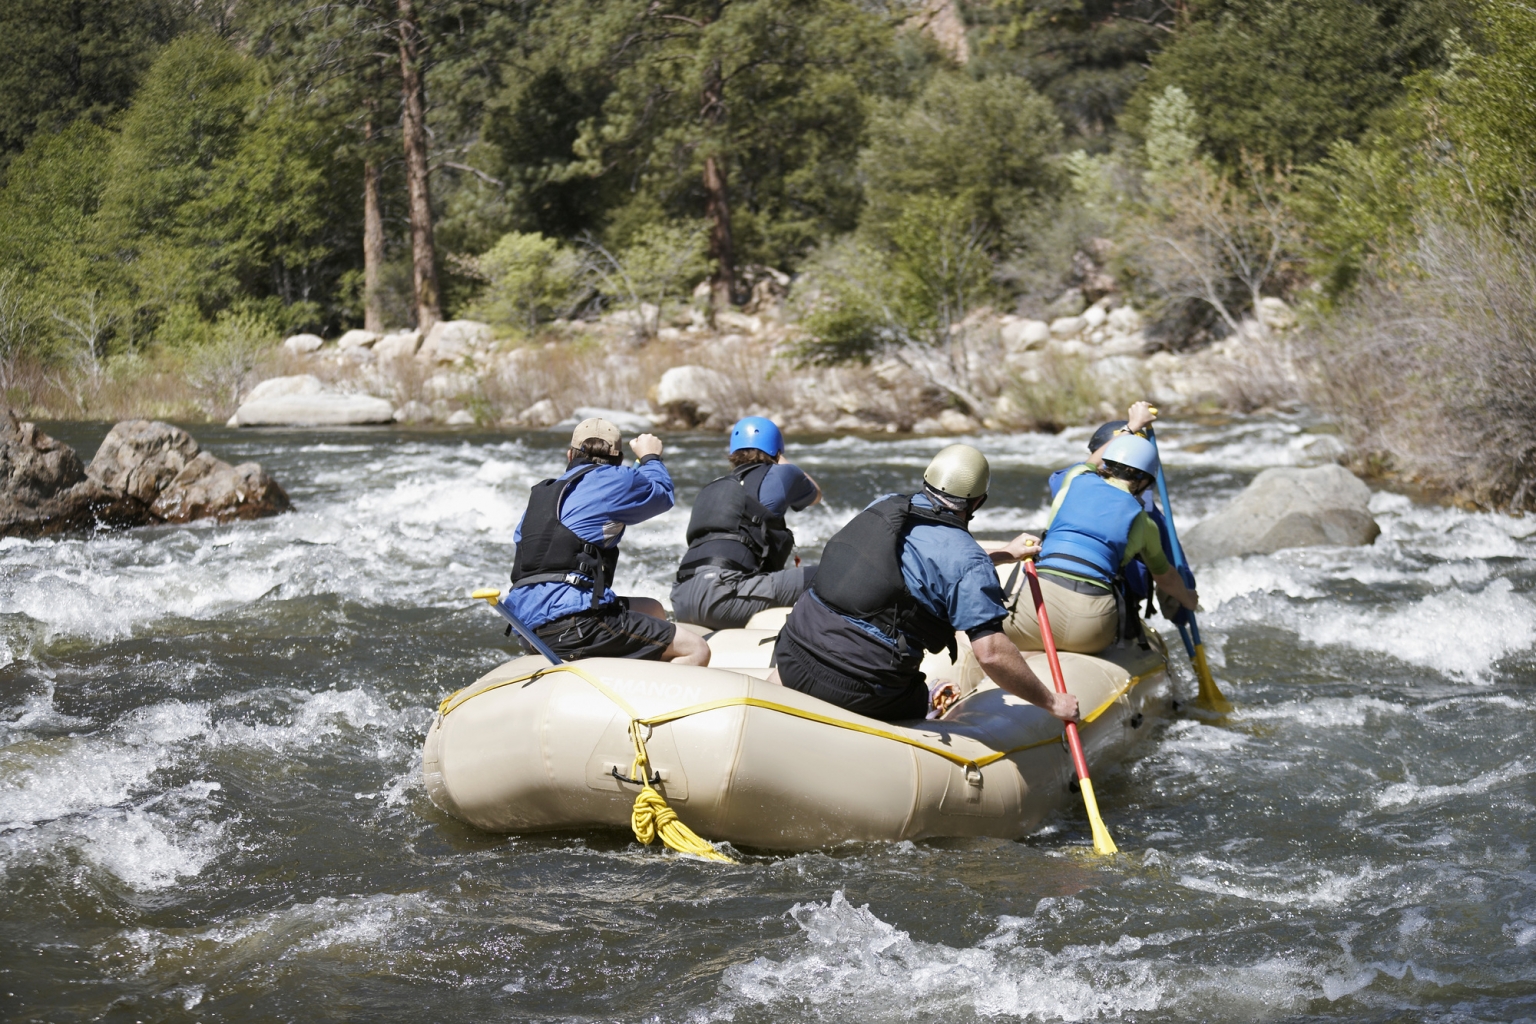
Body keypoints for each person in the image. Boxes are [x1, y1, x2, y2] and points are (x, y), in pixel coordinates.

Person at [768, 444, 1080, 726]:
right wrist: (1052, 702)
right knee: (922, 697)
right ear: (979, 502)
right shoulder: (968, 560)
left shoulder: (885, 505)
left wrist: (1003, 555)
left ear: (926, 479)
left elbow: (921, 558)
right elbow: (992, 654)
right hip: (861, 688)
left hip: (793, 654)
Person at [506, 417, 710, 665]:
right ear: (619, 460)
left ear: (570, 455)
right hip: (575, 624)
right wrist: (650, 458)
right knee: (696, 649)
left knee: (653, 609)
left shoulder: (542, 494)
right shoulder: (617, 479)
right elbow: (661, 494)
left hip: (527, 628)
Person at [1002, 434, 1198, 654]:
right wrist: (1189, 599)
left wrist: (1130, 427)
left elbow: (1091, 461)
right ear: (1145, 482)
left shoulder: (1076, 477)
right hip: (1091, 628)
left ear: (1107, 463)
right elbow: (1166, 578)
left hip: (1036, 612)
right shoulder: (1145, 522)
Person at [671, 417, 822, 629]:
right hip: (724, 596)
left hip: (681, 599)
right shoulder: (782, 473)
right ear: (777, 451)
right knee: (831, 573)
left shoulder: (715, 488)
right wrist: (783, 460)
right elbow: (816, 495)